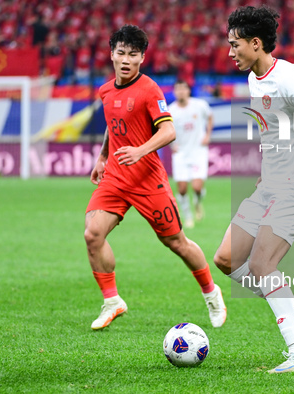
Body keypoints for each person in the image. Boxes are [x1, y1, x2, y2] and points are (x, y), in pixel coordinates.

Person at [214, 6, 294, 373]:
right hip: (271, 183)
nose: (230, 52)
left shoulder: (288, 77)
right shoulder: (256, 77)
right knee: (226, 259)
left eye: (235, 45)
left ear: (256, 44)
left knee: (261, 264)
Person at [84, 25, 226, 331]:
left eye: (132, 55)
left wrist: (140, 151)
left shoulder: (149, 90)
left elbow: (168, 130)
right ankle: (112, 301)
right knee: (92, 234)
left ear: (142, 58)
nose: (125, 59)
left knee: (176, 242)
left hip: (148, 179)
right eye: (120, 53)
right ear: (111, 55)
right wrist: (103, 156)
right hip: (116, 177)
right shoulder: (106, 91)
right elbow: (113, 123)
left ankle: (211, 292)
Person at [168, 80, 214, 228]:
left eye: (183, 89)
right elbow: (164, 129)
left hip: (198, 152)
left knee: (197, 187)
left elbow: (210, 117)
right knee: (181, 189)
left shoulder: (200, 105)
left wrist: (207, 135)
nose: (180, 92)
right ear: (174, 92)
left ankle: (198, 203)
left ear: (188, 91)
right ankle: (187, 216)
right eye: (178, 89)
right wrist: (170, 145)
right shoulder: (171, 111)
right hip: (180, 154)